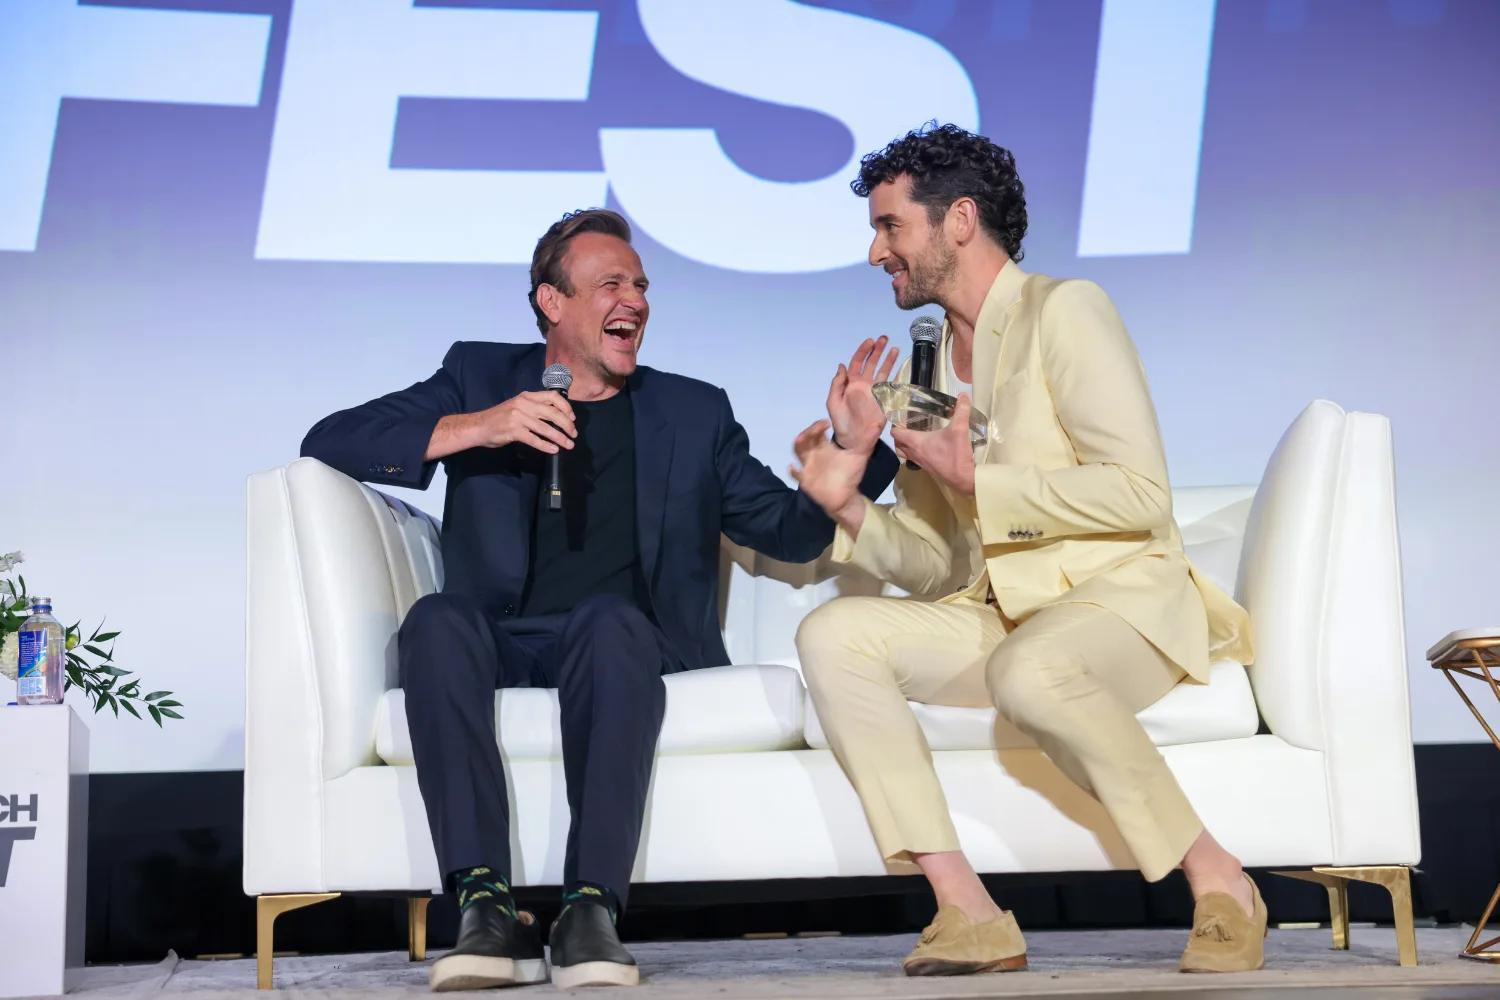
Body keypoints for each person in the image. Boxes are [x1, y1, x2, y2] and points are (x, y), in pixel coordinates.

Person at [301, 208, 899, 991]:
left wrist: (854, 455)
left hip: (625, 646)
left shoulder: (693, 412)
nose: (636, 300)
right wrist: (480, 426)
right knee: (439, 618)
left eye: (642, 286)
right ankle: (484, 905)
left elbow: (788, 533)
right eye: (611, 283)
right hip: (503, 640)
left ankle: (591, 909)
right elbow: (330, 440)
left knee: (608, 618)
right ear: (552, 302)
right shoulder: (480, 376)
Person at [788, 124, 1260, 977]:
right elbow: (940, 561)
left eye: (890, 226)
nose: (874, 251)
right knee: (833, 634)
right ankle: (967, 913)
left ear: (958, 219)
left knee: (1029, 671)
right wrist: (847, 502)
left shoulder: (1064, 309)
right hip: (1002, 618)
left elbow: (1141, 493)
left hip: (1118, 601)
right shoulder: (925, 375)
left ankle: (1220, 878)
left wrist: (980, 480)